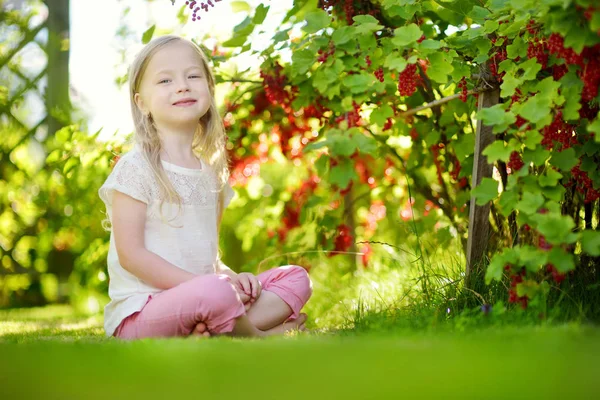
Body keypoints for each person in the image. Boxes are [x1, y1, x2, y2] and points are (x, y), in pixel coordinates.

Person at [98, 35, 312, 340]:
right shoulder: (135, 168)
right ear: (142, 103)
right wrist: (207, 285)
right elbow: (131, 255)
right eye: (165, 80)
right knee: (214, 292)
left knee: (295, 278)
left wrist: (235, 279)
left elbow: (209, 262)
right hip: (142, 313)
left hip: (207, 296)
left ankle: (213, 330)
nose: (182, 85)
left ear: (209, 90)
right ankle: (257, 337)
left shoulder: (211, 175)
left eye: (193, 76)